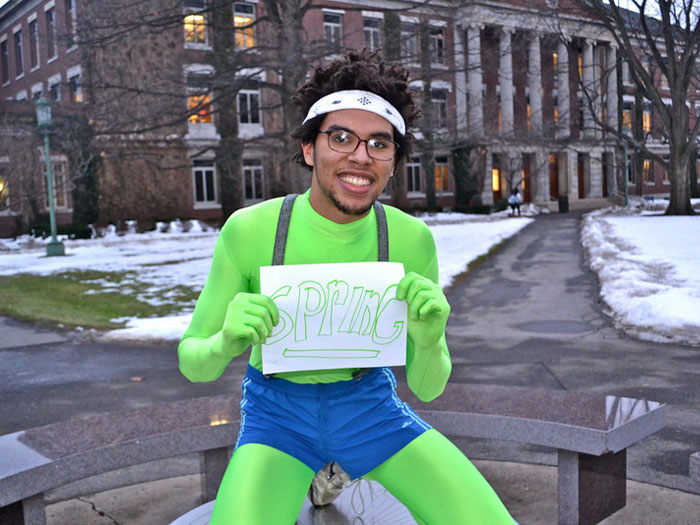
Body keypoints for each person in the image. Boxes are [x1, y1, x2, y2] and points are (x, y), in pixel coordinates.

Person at [178, 50, 515, 524]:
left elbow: (427, 386)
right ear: (309, 148)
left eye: (380, 143)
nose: (361, 155)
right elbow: (193, 361)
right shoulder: (250, 231)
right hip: (277, 422)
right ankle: (319, 478)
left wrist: (429, 338)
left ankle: (331, 478)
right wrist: (224, 342)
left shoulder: (410, 240)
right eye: (341, 137)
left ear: (394, 162)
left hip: (372, 414)